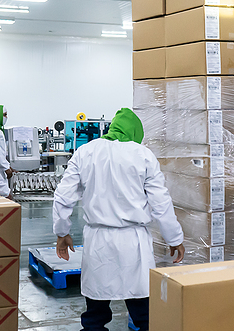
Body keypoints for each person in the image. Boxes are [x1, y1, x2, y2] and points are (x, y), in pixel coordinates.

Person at [52, 108, 184, 331]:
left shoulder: (86, 152)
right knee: (144, 314)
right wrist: (174, 238)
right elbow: (161, 203)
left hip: (98, 241)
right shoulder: (143, 155)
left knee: (95, 315)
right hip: (133, 243)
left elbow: (63, 197)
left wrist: (62, 232)